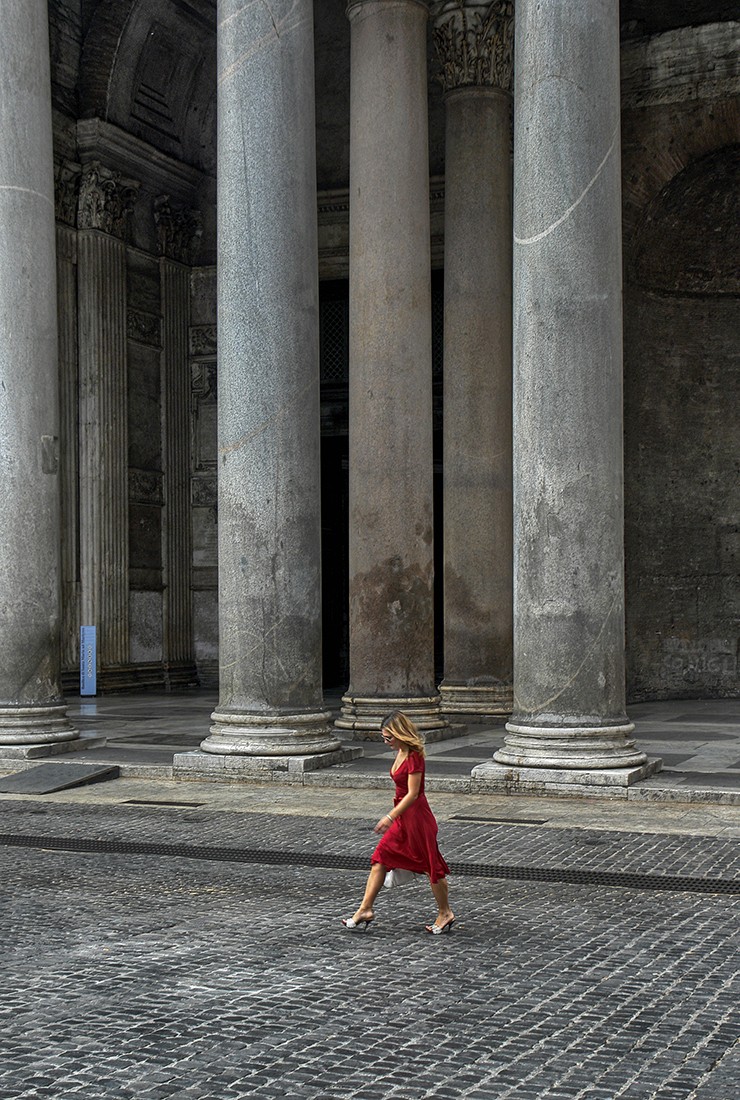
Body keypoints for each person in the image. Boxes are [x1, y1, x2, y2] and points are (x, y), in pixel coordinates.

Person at [342, 711, 455, 935]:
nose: (386, 742)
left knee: (431, 868)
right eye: (384, 738)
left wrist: (390, 816)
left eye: (388, 738)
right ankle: (365, 909)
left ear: (400, 734)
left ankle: (445, 912)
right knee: (380, 859)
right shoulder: (401, 751)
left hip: (418, 820)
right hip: (403, 819)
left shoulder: (414, 756)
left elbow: (413, 794)